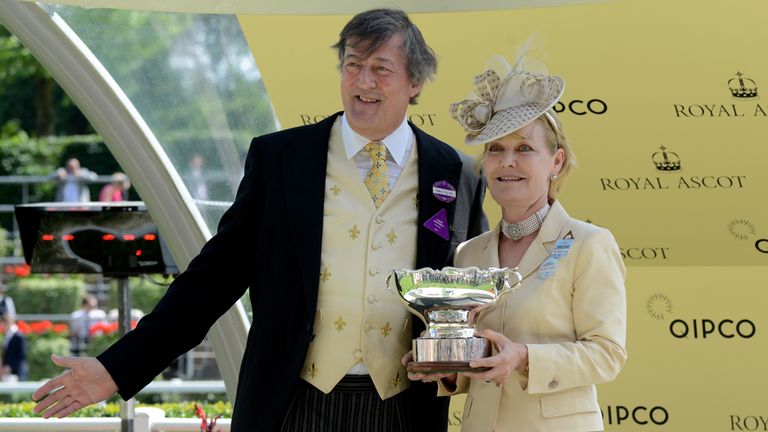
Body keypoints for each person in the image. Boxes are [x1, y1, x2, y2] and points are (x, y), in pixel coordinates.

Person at [33, 9, 487, 431]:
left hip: (406, 411)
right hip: (292, 403)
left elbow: (476, 292)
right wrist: (117, 367)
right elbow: (211, 280)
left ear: (415, 83)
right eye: (352, 64)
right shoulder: (281, 159)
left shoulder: (456, 173)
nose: (362, 81)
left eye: (381, 69)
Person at [407, 57, 627, 431]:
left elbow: (607, 354)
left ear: (555, 161)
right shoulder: (468, 254)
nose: (507, 161)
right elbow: (474, 362)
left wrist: (524, 357)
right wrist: (445, 370)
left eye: (524, 149)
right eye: (495, 149)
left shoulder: (589, 243)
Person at [2, 313, 28, 381]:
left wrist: (10, 367)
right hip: (7, 374)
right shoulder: (7, 336)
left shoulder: (19, 336)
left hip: (17, 372)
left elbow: (22, 355)